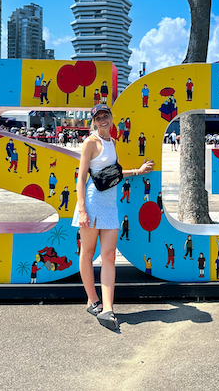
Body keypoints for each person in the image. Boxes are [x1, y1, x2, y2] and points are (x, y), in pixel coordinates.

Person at [75, 103, 154, 331]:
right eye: (98, 117)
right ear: (94, 121)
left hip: (110, 204)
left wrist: (137, 172)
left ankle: (108, 307)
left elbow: (113, 173)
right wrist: (82, 209)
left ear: (111, 118)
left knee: (108, 255)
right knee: (88, 252)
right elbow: (81, 178)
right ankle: (92, 300)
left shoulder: (112, 142)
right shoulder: (90, 142)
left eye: (105, 116)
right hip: (92, 202)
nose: (102, 120)